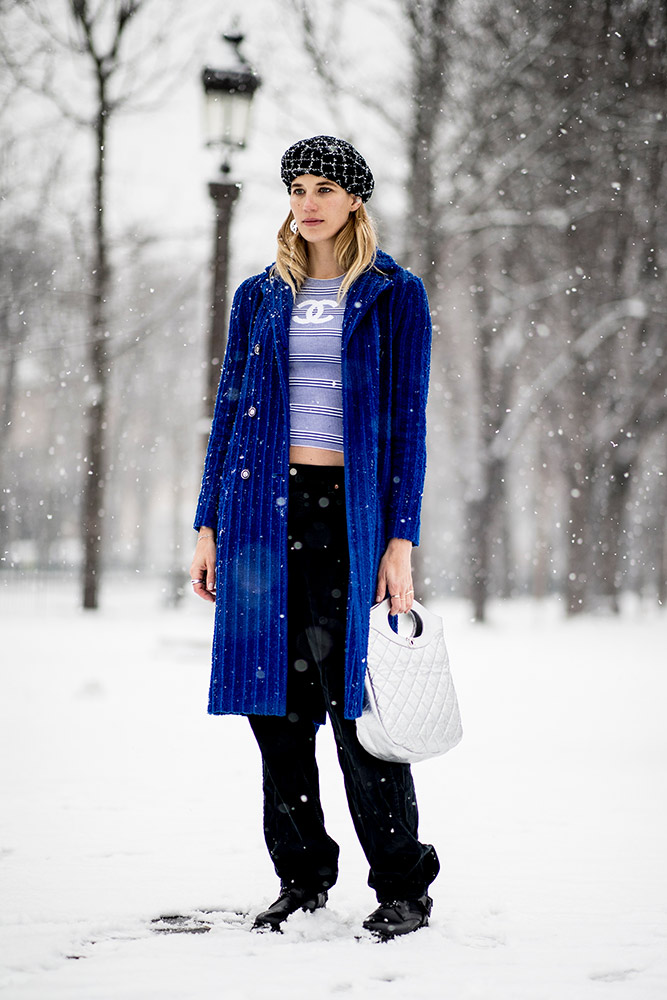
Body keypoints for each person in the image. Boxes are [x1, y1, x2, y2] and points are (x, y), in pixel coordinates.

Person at [190, 135, 438, 939]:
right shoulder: (260, 294)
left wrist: (399, 540)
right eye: (297, 186)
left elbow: (406, 426)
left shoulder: (395, 294)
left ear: (355, 199)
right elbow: (229, 411)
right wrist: (207, 525)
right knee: (275, 709)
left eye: (324, 187)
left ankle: (402, 886)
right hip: (260, 512)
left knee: (357, 713)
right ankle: (302, 876)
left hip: (348, 517)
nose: (307, 201)